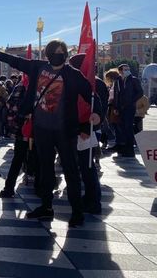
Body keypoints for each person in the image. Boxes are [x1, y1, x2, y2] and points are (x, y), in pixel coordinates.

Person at [0, 40, 100, 227]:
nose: (59, 54)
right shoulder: (37, 68)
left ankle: (77, 211)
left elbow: (91, 96)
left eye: (62, 51)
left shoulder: (73, 74)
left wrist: (97, 114)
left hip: (65, 130)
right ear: (48, 54)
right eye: (55, 51)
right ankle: (46, 207)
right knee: (45, 169)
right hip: (42, 129)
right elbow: (14, 61)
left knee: (70, 170)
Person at [69, 53, 104, 214]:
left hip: (87, 131)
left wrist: (85, 126)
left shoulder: (95, 83)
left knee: (88, 168)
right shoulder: (81, 81)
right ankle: (89, 197)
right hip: (78, 130)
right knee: (83, 167)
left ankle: (94, 200)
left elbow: (98, 108)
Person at [0, 78, 35, 197]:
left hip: (22, 128)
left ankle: (9, 187)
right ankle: (40, 186)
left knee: (18, 158)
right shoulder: (42, 83)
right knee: (40, 158)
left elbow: (10, 103)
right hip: (36, 128)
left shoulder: (21, 85)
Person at [113, 64, 143, 157]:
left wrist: (132, 101)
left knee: (128, 128)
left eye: (128, 69)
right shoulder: (118, 80)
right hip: (120, 108)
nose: (127, 70)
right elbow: (116, 94)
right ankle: (124, 149)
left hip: (130, 108)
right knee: (122, 128)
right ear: (120, 71)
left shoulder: (134, 80)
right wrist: (116, 107)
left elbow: (140, 92)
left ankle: (130, 151)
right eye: (125, 69)